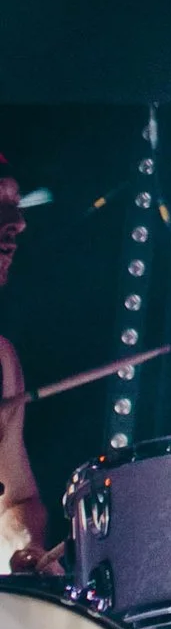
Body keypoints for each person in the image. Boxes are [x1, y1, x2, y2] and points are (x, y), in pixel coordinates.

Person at [0, 155, 58, 576]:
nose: (18, 222)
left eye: (16, 204)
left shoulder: (1, 358)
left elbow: (17, 499)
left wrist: (25, 547)